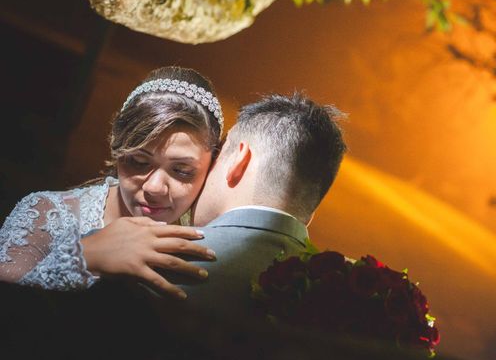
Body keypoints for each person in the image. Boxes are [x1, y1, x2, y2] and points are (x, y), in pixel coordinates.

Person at [0, 66, 220, 298]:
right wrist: (84, 257)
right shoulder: (47, 213)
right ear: (117, 147)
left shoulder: (211, 240)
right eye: (138, 161)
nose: (154, 188)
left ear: (211, 165)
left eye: (182, 170)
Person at [161, 92, 347, 316]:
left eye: (217, 153)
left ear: (239, 161)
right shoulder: (352, 293)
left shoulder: (156, 259)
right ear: (312, 213)